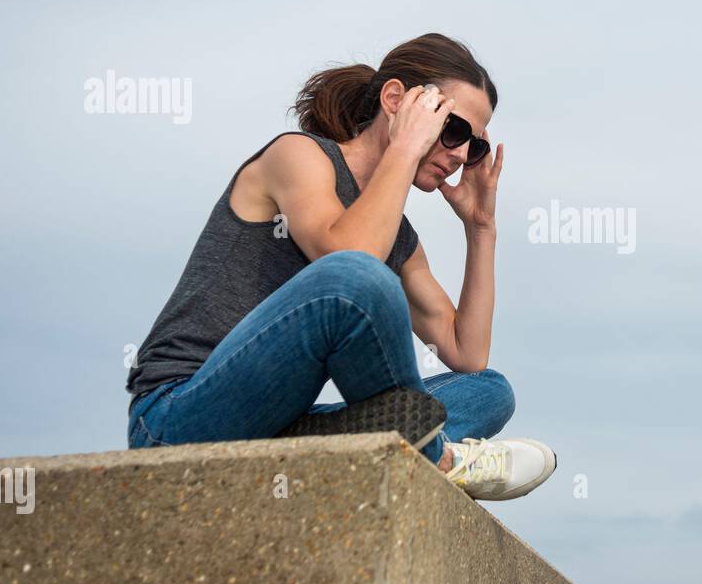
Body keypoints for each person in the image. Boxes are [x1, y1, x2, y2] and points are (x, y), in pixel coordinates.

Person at [125, 33, 555, 501]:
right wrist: (405, 149)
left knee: (488, 390)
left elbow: (465, 353)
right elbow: (348, 261)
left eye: (473, 147)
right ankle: (439, 459)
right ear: (397, 101)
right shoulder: (299, 156)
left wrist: (481, 229)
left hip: (274, 428)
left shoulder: (398, 238)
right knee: (356, 279)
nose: (459, 155)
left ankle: (365, 445)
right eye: (452, 130)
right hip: (178, 417)